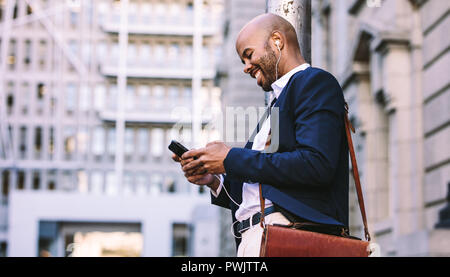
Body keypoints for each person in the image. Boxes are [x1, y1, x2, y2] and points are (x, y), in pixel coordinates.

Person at [172, 13, 349, 257]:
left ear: (277, 41)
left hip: (289, 236)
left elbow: (316, 164)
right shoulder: (277, 105)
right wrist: (214, 179)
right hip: (256, 238)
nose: (245, 67)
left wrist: (230, 158)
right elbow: (266, 178)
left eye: (249, 54)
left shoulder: (314, 82)